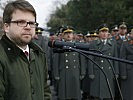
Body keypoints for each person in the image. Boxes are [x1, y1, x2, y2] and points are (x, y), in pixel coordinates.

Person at [0, 0, 51, 100]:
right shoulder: (2, 56)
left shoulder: (39, 54)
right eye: (21, 22)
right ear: (6, 27)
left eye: (32, 23)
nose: (28, 27)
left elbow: (45, 91)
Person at [52, 26, 86, 100]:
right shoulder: (59, 45)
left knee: (75, 94)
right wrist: (56, 74)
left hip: (75, 72)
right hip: (64, 73)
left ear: (73, 35)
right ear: (63, 35)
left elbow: (81, 59)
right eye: (66, 33)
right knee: (64, 95)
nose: (68, 35)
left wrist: (82, 72)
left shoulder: (77, 45)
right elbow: (55, 61)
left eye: (70, 33)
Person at [89, 24, 119, 100]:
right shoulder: (93, 43)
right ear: (99, 33)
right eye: (102, 31)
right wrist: (91, 72)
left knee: (108, 95)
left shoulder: (112, 44)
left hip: (108, 71)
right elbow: (91, 59)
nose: (104, 33)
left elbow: (115, 59)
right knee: (97, 96)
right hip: (97, 71)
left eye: (106, 31)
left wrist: (116, 72)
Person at [120, 28, 133, 100]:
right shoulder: (125, 44)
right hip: (129, 71)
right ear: (131, 34)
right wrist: (123, 74)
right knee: (128, 93)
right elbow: (122, 59)